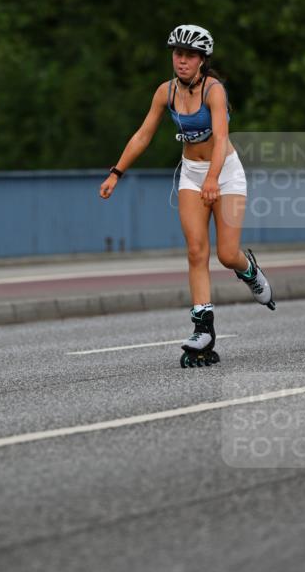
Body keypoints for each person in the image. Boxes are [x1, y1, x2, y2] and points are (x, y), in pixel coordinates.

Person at [99, 24, 274, 365]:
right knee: (196, 251)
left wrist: (213, 178)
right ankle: (203, 327)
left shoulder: (214, 91)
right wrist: (116, 172)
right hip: (192, 175)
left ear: (202, 60)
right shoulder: (165, 92)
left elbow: (222, 140)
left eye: (189, 55)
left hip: (226, 173)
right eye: (178, 54)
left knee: (226, 254)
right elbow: (143, 135)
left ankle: (249, 270)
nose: (181, 61)